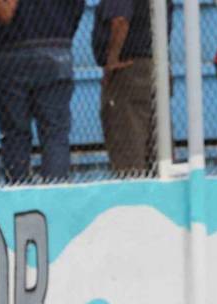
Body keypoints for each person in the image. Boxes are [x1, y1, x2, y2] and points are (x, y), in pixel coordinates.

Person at [0, 0, 85, 183]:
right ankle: (55, 195)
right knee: (55, 134)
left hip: (11, 49)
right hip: (57, 49)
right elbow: (77, 10)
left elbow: (4, 14)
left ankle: (18, 196)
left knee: (15, 134)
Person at [92, 0, 172, 174]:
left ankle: (133, 193)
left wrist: (111, 60)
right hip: (156, 64)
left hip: (129, 68)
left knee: (128, 150)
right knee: (159, 148)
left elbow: (120, 19)